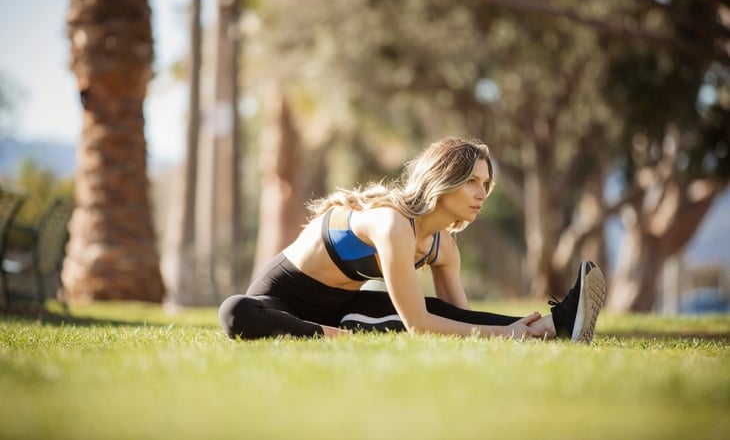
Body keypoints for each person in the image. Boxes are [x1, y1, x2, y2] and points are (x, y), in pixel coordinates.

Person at [219, 137, 607, 342]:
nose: (481, 194)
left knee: (436, 313)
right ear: (443, 180)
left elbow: (461, 320)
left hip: (341, 311)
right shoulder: (391, 224)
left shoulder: (444, 247)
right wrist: (506, 332)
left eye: (486, 184)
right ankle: (553, 328)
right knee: (235, 312)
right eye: (471, 182)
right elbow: (418, 324)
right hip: (278, 305)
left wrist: (505, 334)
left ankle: (556, 326)